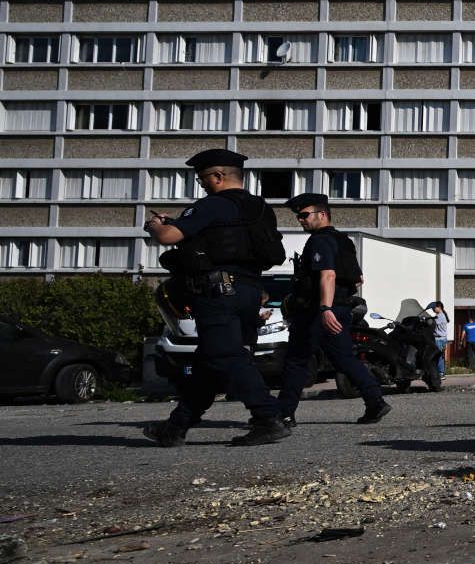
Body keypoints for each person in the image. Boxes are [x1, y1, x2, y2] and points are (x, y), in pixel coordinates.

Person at [141, 149, 290, 447]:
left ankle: (268, 417)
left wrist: (157, 226)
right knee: (209, 362)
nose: (202, 185)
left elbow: (170, 237)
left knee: (227, 356)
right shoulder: (260, 208)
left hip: (218, 292)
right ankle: (176, 426)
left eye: (203, 179)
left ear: (218, 176)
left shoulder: (212, 205)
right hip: (250, 291)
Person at [278, 194, 391, 426]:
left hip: (317, 311)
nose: (300, 220)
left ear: (322, 214)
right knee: (344, 359)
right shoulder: (344, 241)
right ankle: (375, 401)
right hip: (339, 308)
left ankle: (283, 414)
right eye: (298, 216)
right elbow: (358, 279)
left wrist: (325, 308)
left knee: (297, 360)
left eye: (304, 215)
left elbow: (327, 274)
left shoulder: (320, 240)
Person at [427, 301, 450, 375]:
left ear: (439, 307)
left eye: (434, 308)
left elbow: (431, 323)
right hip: (442, 338)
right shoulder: (439, 315)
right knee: (439, 356)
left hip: (439, 339)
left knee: (438, 356)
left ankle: (441, 373)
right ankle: (440, 372)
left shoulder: (440, 316)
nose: (433, 309)